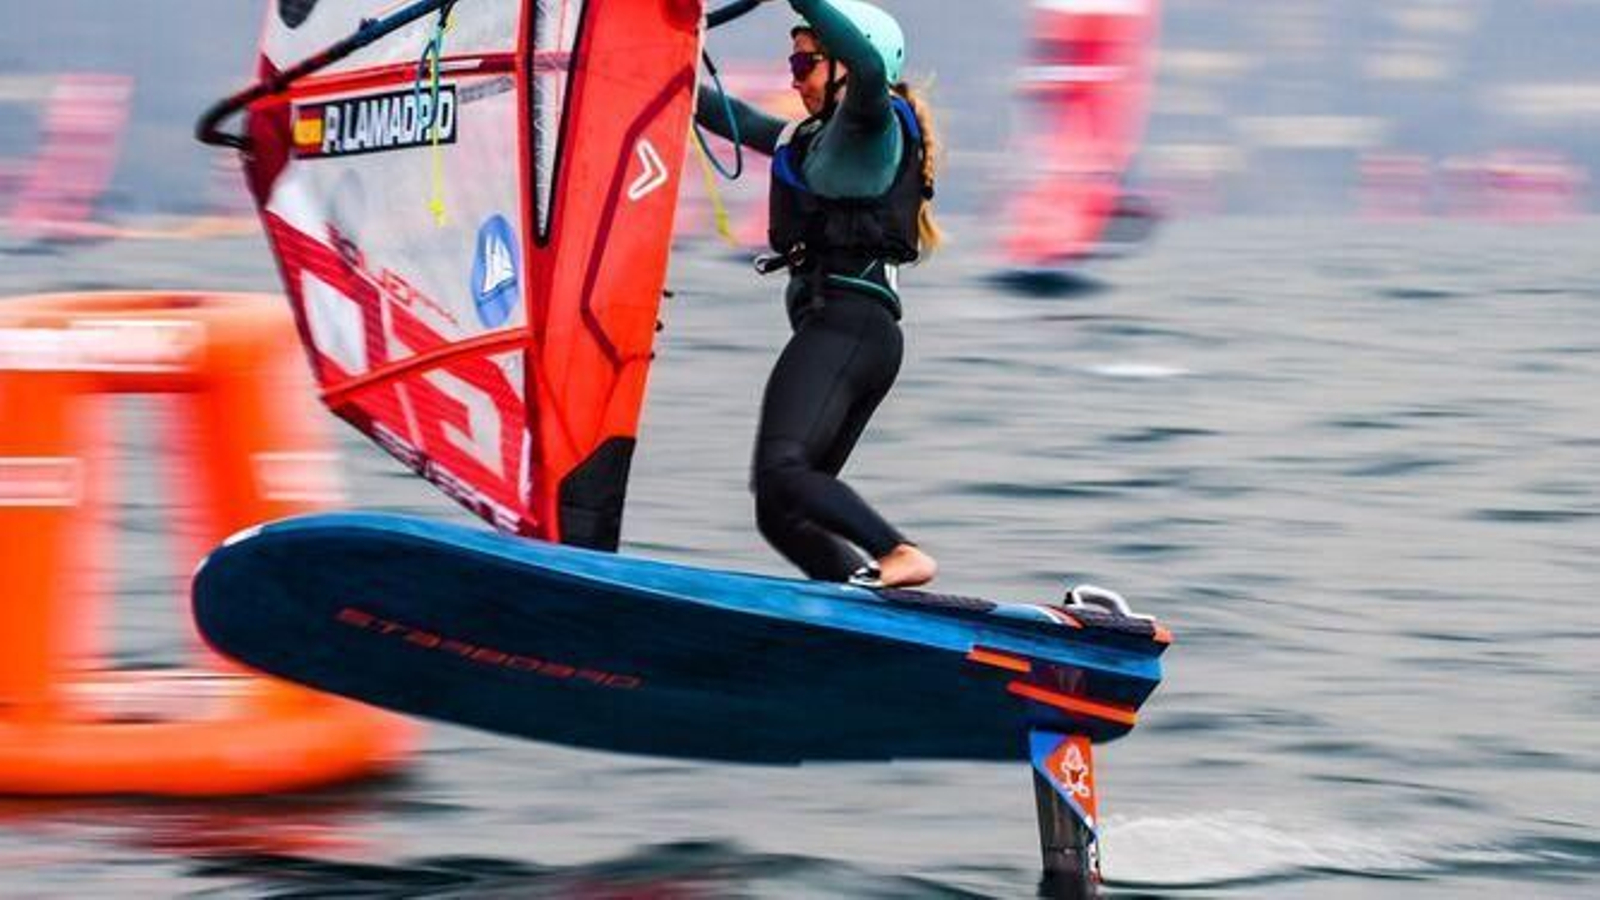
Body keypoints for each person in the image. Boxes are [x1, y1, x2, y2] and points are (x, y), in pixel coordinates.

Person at [696, 0, 943, 588]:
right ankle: (861, 604)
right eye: (791, 60)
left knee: (784, 471)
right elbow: (725, 115)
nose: (793, 74)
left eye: (805, 61)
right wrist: (641, 63)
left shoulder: (871, 122)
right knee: (780, 509)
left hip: (850, 328)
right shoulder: (807, 136)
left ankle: (899, 551)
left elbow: (867, 65)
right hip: (845, 332)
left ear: (845, 68)